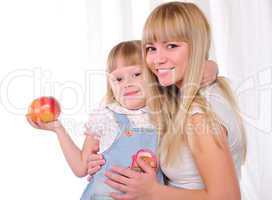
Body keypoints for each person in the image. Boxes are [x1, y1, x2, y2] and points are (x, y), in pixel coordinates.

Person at [26, 40, 217, 199]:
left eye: (136, 74)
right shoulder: (105, 117)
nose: (127, 83)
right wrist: (59, 129)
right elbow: (80, 168)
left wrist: (212, 66)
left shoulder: (165, 109)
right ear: (110, 83)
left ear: (153, 76)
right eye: (118, 79)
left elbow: (198, 74)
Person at [100, 2, 247, 200]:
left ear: (197, 46)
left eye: (172, 46)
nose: (157, 59)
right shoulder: (209, 89)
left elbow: (226, 197)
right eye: (151, 48)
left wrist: (153, 192)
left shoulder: (198, 116)